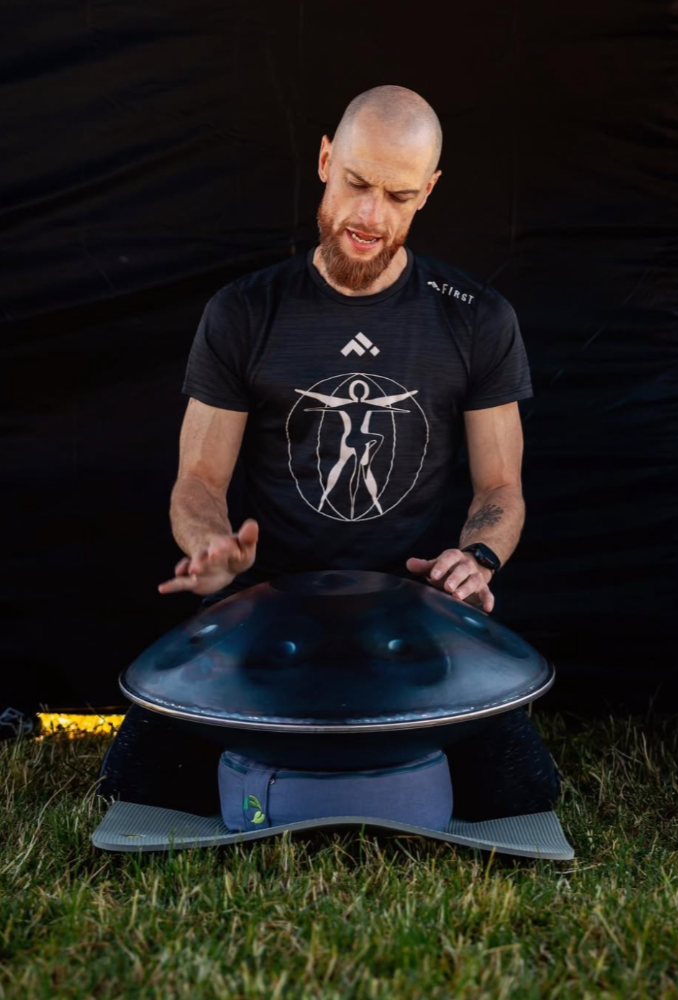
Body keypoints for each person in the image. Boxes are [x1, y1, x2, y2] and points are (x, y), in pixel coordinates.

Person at [96, 85, 561, 821]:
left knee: (520, 794)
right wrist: (209, 545)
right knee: (134, 787)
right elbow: (198, 479)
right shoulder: (244, 311)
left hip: (413, 618)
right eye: (355, 184)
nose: (369, 217)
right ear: (323, 160)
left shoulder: (475, 318)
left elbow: (499, 487)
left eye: (397, 195)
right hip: (265, 609)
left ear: (428, 192)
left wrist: (477, 560)